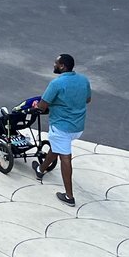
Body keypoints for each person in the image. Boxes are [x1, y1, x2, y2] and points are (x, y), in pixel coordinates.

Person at [35, 52, 90, 207]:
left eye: (56, 63)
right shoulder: (83, 80)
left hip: (61, 127)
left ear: (62, 66)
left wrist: (40, 106)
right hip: (78, 127)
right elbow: (88, 99)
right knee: (57, 147)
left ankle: (69, 196)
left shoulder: (56, 83)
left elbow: (42, 106)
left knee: (65, 158)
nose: (54, 65)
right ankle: (40, 170)